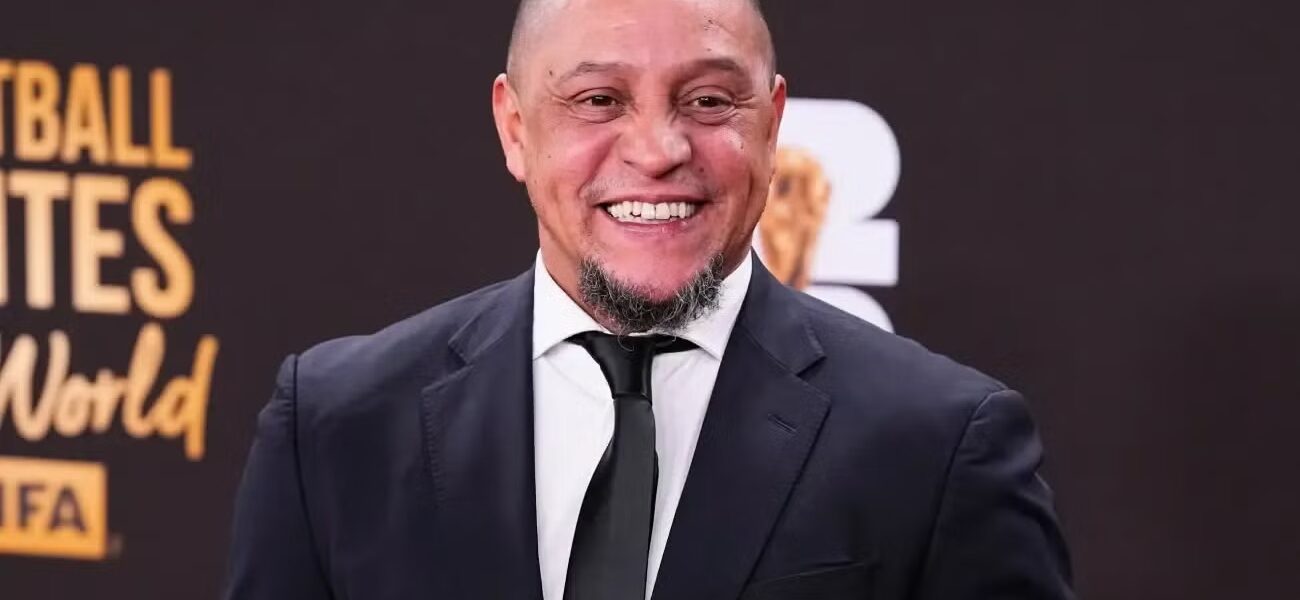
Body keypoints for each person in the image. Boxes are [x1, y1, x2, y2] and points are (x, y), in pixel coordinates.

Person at [223, 0, 1074, 598]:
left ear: (771, 126)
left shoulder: (938, 446)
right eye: (599, 100)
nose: (660, 149)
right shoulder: (336, 427)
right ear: (515, 127)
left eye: (709, 101)